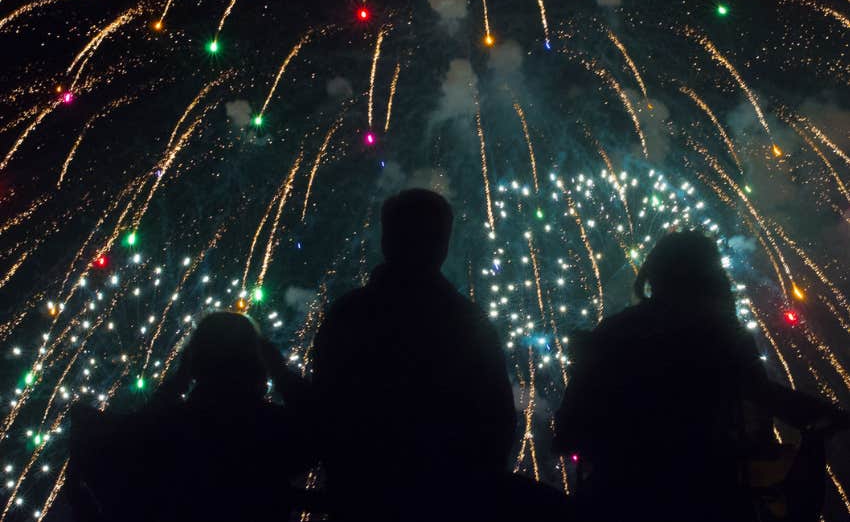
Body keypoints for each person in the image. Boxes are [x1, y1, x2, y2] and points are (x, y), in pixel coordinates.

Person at [553, 231, 848, 522]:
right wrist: (825, 417)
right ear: (710, 278)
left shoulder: (611, 332)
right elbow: (763, 394)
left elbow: (567, 433)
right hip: (705, 500)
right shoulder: (720, 335)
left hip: (615, 502)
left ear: (654, 275)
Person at [312, 188, 518, 521]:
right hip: (448, 500)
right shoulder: (467, 321)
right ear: (443, 246)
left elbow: (321, 410)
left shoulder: (350, 315)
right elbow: (498, 421)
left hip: (360, 498)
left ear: (386, 239)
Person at [68, 311, 316, 522]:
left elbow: (132, 435)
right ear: (258, 364)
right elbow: (323, 432)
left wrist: (178, 380)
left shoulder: (170, 428)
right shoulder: (270, 427)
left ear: (195, 363)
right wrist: (281, 373)